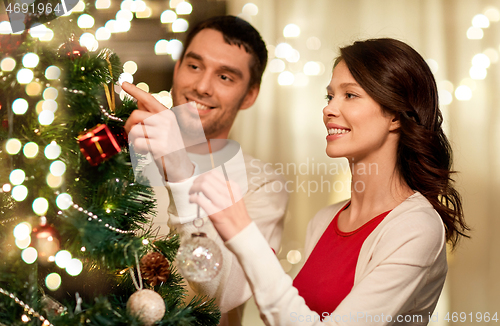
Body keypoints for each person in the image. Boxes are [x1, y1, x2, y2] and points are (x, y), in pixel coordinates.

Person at [189, 38, 469, 325]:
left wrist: (242, 232)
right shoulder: (323, 220)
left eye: (350, 95)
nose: (329, 109)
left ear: (395, 115)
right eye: (330, 96)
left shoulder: (416, 228)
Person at [123, 16, 288, 325]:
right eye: (194, 66)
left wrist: (180, 171)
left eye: (225, 77)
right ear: (177, 68)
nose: (201, 86)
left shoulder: (263, 184)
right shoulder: (128, 155)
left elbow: (223, 297)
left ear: (250, 94)